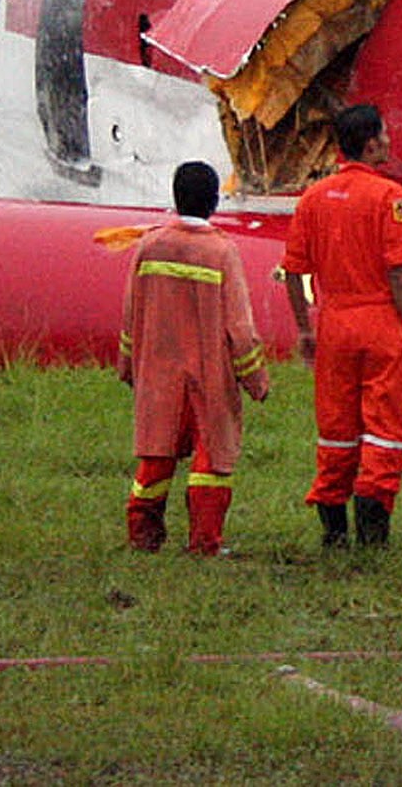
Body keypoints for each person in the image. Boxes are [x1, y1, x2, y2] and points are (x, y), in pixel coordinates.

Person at [281, 103, 402, 549]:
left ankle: (334, 528)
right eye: (383, 134)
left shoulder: (313, 197)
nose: (388, 141)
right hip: (379, 321)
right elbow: (397, 271)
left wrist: (305, 327)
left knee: (336, 427)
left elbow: (294, 270)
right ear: (369, 143)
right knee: (386, 424)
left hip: (334, 324)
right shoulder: (387, 196)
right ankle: (373, 521)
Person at [120, 161, 271, 555]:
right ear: (214, 202)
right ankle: (205, 541)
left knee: (156, 454)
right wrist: (256, 381)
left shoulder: (149, 246)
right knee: (211, 459)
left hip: (157, 373)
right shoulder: (221, 252)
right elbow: (239, 327)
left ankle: (142, 535)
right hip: (208, 375)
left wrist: (127, 366)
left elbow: (130, 313)